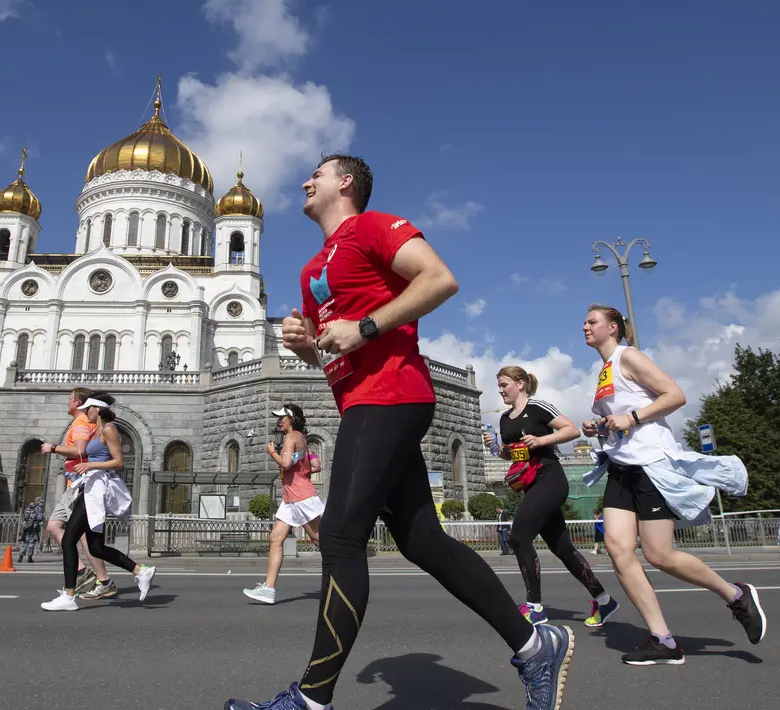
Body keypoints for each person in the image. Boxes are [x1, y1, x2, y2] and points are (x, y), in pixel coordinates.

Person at [226, 155, 572, 710]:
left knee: (339, 537)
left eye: (317, 172)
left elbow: (441, 280)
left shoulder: (373, 226)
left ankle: (311, 700)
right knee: (423, 542)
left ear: (345, 183)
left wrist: (364, 327)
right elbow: (331, 353)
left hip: (393, 394)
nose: (304, 181)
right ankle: (535, 647)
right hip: (362, 401)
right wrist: (305, 347)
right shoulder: (313, 265)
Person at [581, 304, 765, 666]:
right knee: (619, 551)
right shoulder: (604, 369)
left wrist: (630, 417)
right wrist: (599, 425)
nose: (584, 326)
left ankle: (735, 594)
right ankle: (662, 639)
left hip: (651, 465)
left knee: (659, 555)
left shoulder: (628, 356)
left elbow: (674, 396)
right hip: (621, 467)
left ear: (613, 327)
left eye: (592, 321)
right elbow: (619, 420)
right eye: (585, 322)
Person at [483, 366, 618, 628]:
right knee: (562, 548)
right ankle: (604, 600)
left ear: (520, 384)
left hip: (551, 478)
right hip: (531, 485)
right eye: (498, 386)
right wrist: (494, 447)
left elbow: (571, 431)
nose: (500, 391)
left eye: (504, 385)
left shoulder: (538, 407)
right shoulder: (505, 420)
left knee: (519, 537)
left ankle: (535, 607)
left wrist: (541, 441)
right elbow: (512, 455)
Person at [41, 393, 155, 610]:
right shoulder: (98, 431)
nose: (85, 413)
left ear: (97, 409)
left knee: (69, 540)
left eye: (87, 409)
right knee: (96, 548)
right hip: (90, 485)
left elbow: (119, 462)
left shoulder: (109, 428)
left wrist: (90, 466)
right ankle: (141, 571)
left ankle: (68, 596)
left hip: (96, 489)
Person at [244, 404, 324, 604]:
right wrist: (302, 470)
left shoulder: (290, 437)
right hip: (290, 499)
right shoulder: (301, 439)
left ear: (293, 418)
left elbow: (286, 464)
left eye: (283, 417)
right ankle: (268, 589)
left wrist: (272, 452)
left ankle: (345, 575)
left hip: (300, 496)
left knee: (319, 540)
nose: (279, 421)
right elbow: (315, 465)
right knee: (275, 539)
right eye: (278, 418)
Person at [42, 387, 108, 595]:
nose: (67, 402)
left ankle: (98, 579)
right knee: (60, 527)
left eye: (70, 399)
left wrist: (53, 447)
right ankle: (87, 574)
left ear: (78, 403)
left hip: (79, 481)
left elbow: (79, 450)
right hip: (76, 481)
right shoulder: (83, 422)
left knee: (76, 534)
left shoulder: (80, 423)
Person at [18, 496, 45, 563]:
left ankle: (20, 557)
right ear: (38, 501)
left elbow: (25, 517)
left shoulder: (29, 507)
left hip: (26, 527)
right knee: (31, 542)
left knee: (24, 542)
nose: (41, 503)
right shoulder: (39, 508)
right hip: (33, 528)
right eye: (41, 501)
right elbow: (39, 518)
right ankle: (29, 558)